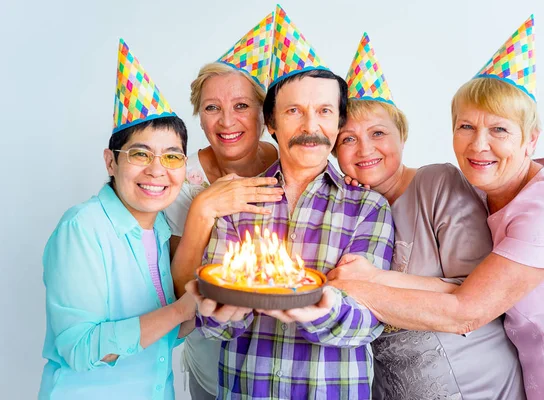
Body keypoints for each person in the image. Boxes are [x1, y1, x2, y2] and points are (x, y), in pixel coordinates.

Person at [330, 16, 544, 399]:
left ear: (531, 139)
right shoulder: (486, 194)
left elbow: (467, 310)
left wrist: (356, 287)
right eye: (466, 127)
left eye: (499, 130)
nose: (478, 146)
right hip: (534, 370)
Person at [186, 7, 394, 399]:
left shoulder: (369, 208)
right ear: (272, 123)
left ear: (337, 123)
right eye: (294, 111)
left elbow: (369, 322)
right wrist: (215, 312)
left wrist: (316, 308)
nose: (310, 127)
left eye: (324, 112)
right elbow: (214, 325)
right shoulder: (236, 200)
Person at [329, 33, 525, 399]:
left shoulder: (436, 183)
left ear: (402, 137)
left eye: (377, 133)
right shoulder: (347, 211)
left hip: (471, 380)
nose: (365, 148)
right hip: (395, 386)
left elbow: (472, 292)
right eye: (348, 139)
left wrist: (372, 283)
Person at [39, 39, 196, 399]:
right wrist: (179, 310)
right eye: (141, 154)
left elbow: (157, 339)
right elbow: (80, 349)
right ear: (111, 162)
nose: (158, 170)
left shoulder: (158, 229)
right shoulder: (82, 228)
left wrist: (205, 310)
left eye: (172, 158)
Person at [165, 13, 281, 400]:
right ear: (199, 116)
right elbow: (179, 289)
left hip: (288, 360)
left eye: (242, 105)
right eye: (212, 107)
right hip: (213, 363)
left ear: (264, 115)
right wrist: (203, 210)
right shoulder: (181, 177)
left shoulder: (290, 161)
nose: (227, 121)